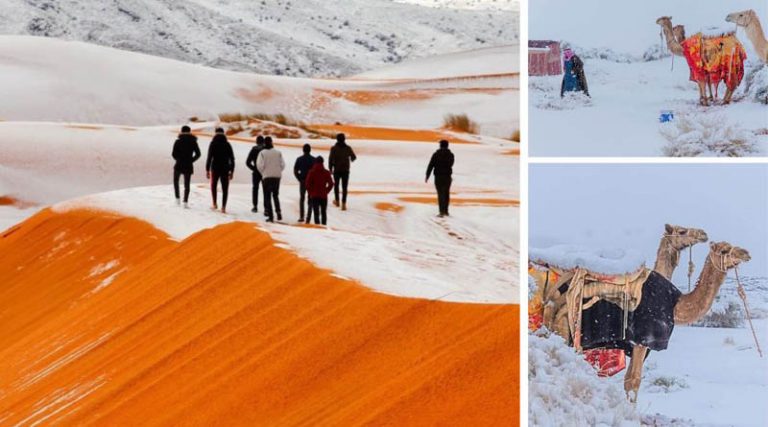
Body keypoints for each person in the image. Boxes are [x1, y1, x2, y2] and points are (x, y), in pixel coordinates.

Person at [205, 128, 235, 213]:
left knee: (213, 186)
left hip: (215, 168)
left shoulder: (213, 144)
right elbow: (232, 159)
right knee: (225, 188)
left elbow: (209, 157)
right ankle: (223, 207)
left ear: (215, 134)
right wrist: (232, 171)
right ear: (223, 134)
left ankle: (214, 204)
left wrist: (207, 169)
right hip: (225, 168)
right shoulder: (227, 144)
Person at [171, 125, 201, 208]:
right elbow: (198, 154)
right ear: (189, 131)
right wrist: (191, 160)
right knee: (187, 184)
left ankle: (177, 199)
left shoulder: (178, 141)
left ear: (181, 131)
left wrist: (178, 159)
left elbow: (173, 154)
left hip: (179, 164)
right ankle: (185, 202)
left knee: (176, 181)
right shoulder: (193, 141)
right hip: (188, 165)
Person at [257, 136, 285, 223]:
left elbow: (259, 165)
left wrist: (264, 173)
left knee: (267, 196)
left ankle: (271, 216)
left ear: (265, 143)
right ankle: (278, 212)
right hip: (277, 177)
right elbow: (283, 164)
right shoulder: (278, 152)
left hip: (267, 177)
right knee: (275, 195)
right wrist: (277, 171)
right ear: (272, 142)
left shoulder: (262, 153)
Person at [425, 139, 454, 217]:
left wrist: (427, 176)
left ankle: (441, 211)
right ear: (447, 145)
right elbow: (451, 164)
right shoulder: (451, 155)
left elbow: (430, 165)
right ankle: (446, 211)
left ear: (440, 145)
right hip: (447, 177)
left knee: (440, 193)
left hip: (438, 177)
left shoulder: (436, 154)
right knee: (446, 193)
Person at [328, 133, 356, 211]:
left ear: (337, 139)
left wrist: (330, 169)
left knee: (336, 185)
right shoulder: (348, 148)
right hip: (346, 170)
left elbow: (330, 160)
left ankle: (337, 201)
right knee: (344, 187)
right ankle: (343, 204)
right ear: (344, 139)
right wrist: (349, 159)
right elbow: (354, 157)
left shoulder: (333, 148)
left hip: (336, 170)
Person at [305, 156, 334, 225]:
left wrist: (311, 192)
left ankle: (317, 227)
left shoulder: (311, 172)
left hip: (314, 195)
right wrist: (326, 191)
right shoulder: (326, 172)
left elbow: (307, 184)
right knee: (323, 212)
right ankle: (324, 225)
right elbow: (331, 183)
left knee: (316, 213)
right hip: (323, 195)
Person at [293, 143, 316, 222]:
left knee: (302, 198)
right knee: (310, 198)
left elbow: (295, 170)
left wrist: (299, 178)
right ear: (310, 150)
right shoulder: (314, 159)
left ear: (303, 150)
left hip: (303, 180)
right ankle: (308, 217)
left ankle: (302, 216)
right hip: (311, 182)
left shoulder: (299, 159)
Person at [245, 135, 266, 213]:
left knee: (255, 189)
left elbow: (247, 162)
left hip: (256, 172)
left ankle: (255, 206)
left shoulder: (254, 149)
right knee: (265, 190)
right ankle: (266, 208)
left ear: (257, 142)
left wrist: (254, 168)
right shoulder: (266, 149)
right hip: (264, 172)